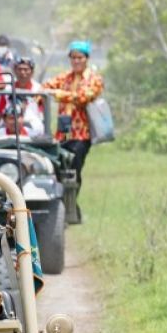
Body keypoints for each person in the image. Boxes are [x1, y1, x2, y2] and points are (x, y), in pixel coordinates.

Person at [43, 40, 104, 222]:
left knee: (75, 170)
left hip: (81, 134)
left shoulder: (94, 79)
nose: (76, 61)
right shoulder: (65, 78)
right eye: (73, 57)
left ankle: (71, 207)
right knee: (58, 169)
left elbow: (83, 98)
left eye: (80, 57)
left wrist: (59, 94)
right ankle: (66, 208)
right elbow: (45, 87)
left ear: (86, 59)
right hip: (62, 133)